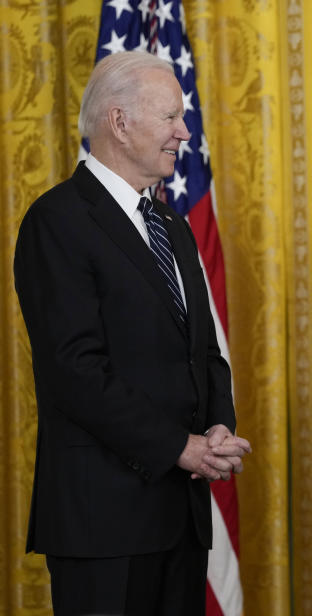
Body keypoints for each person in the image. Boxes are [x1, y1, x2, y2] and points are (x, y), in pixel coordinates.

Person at [13, 51, 251, 615]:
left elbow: (205, 352)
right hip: (104, 526)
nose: (184, 132)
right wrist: (179, 448)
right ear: (119, 122)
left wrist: (217, 428)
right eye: (171, 117)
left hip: (181, 519)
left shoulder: (172, 225)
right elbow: (75, 371)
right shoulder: (58, 221)